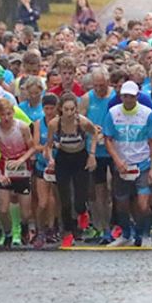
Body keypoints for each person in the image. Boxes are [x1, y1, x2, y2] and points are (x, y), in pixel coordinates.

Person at [104, 81, 152, 247]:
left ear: (137, 97)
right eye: (125, 96)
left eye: (131, 96)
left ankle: (145, 234)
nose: (128, 99)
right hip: (122, 164)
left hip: (142, 162)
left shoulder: (147, 114)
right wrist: (117, 160)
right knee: (121, 203)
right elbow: (108, 139)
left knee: (143, 203)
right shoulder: (113, 113)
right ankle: (126, 233)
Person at [47, 93, 99, 248]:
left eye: (72, 109)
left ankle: (83, 211)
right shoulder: (54, 124)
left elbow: (94, 133)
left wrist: (92, 155)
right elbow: (48, 145)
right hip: (63, 159)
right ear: (60, 109)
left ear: (76, 109)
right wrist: (50, 159)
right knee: (65, 200)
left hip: (80, 158)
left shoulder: (82, 122)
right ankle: (68, 232)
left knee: (79, 198)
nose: (69, 113)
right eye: (66, 110)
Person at [0, 98, 37, 247]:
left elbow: (33, 147)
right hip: (5, 167)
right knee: (3, 208)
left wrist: (22, 160)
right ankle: (7, 232)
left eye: (9, 114)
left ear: (13, 113)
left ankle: (21, 227)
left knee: (26, 212)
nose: (6, 118)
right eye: (2, 115)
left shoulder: (22, 127)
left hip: (22, 167)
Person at [79, 67, 116, 244]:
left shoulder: (115, 96)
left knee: (113, 188)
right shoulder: (87, 98)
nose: (99, 89)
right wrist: (91, 129)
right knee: (99, 191)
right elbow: (79, 122)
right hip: (94, 150)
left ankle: (116, 224)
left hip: (113, 148)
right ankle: (103, 227)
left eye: (102, 85)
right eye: (96, 86)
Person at [32, 93, 58, 249]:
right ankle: (40, 229)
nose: (49, 112)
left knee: (54, 199)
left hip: (58, 165)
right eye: (46, 108)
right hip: (43, 165)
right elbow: (36, 145)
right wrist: (46, 148)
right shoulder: (38, 123)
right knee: (43, 201)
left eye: (51, 108)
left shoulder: (60, 123)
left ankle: (52, 228)